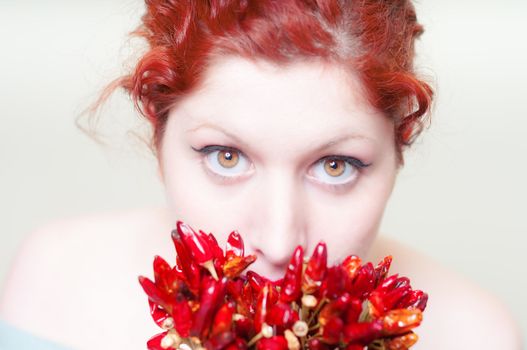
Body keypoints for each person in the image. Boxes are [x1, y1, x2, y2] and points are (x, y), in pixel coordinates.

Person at [0, 0, 522, 349]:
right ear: (158, 135)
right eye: (226, 157)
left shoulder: (477, 335)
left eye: (335, 166)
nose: (276, 242)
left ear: (398, 147)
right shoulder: (54, 283)